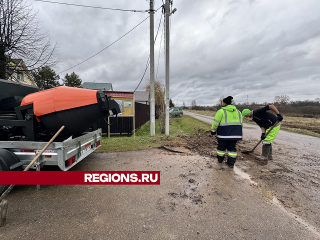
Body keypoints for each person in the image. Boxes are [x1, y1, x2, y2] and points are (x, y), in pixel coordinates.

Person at [211, 96, 243, 168]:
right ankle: (231, 163)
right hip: (235, 134)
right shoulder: (238, 112)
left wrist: (213, 131)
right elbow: (241, 124)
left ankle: (220, 160)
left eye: (222, 102)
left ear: (224, 103)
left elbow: (215, 122)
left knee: (221, 148)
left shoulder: (221, 111)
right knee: (232, 148)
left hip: (223, 134)